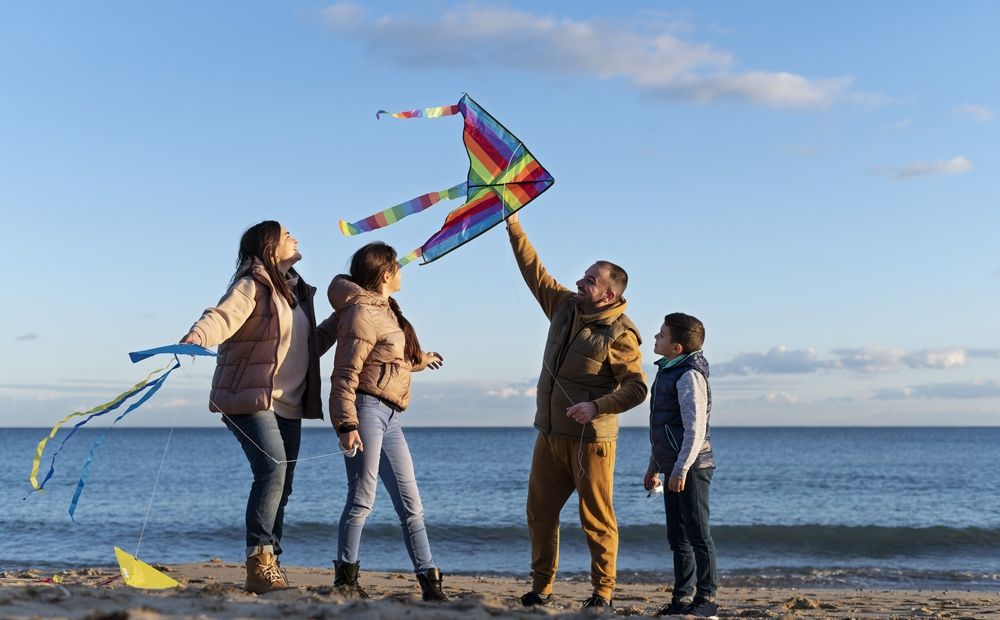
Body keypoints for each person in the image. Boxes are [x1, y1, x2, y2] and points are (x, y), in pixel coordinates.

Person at [181, 220, 337, 594]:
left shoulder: (298, 294)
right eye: (287, 234)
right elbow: (223, 316)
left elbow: (309, 345)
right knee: (272, 469)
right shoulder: (252, 283)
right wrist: (198, 335)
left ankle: (271, 563)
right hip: (249, 397)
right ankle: (258, 562)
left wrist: (340, 322)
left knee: (282, 484)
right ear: (269, 246)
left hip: (289, 403)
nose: (295, 237)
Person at [506, 212, 648, 610]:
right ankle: (541, 588)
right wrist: (513, 224)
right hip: (549, 435)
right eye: (583, 276)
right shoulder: (565, 307)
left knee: (596, 519)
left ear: (608, 293)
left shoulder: (620, 334)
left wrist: (597, 406)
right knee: (539, 515)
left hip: (591, 442)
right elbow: (534, 271)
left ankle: (602, 593)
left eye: (589, 280)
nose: (579, 282)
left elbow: (637, 387)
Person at [328, 241, 449, 602]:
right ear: (385, 274)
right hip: (365, 411)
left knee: (411, 503)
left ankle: (430, 582)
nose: (401, 271)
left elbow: (385, 363)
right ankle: (346, 580)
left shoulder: (386, 310)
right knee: (362, 497)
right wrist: (346, 425)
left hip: (391, 415)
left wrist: (418, 361)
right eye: (397, 266)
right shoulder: (362, 313)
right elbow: (345, 374)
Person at [642, 313, 718, 619]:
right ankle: (682, 598)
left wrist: (681, 469)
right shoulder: (667, 371)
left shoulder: (689, 375)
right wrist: (655, 466)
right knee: (677, 536)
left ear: (677, 347)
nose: (655, 338)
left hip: (693, 467)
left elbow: (695, 429)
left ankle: (707, 599)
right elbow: (663, 427)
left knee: (698, 533)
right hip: (672, 466)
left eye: (661, 335)